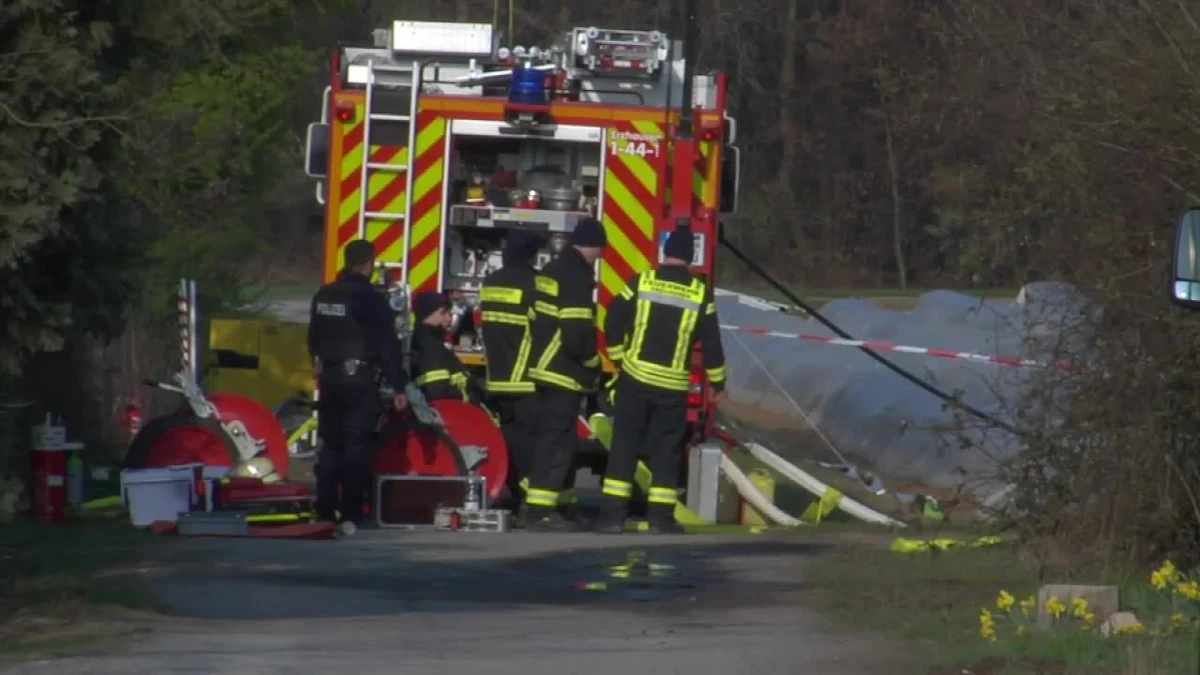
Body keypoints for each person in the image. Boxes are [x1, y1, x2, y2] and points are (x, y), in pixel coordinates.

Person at [594, 226, 727, 534]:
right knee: (666, 451)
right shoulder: (700, 294)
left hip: (635, 379)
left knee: (625, 445)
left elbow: (613, 318)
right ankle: (660, 519)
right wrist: (718, 384)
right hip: (672, 386)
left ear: (666, 252)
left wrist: (618, 358)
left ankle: (612, 518)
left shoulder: (642, 281)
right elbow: (712, 344)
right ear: (691, 256)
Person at [307, 239, 409, 530]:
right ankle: (351, 512)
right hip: (358, 380)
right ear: (368, 264)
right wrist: (398, 386)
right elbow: (387, 346)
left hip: (329, 378)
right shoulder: (369, 299)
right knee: (356, 445)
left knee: (330, 444)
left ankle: (324, 509)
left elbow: (312, 339)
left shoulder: (323, 294)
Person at [522, 217, 607, 531]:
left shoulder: (552, 270)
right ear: (593, 246)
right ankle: (540, 512)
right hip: (563, 372)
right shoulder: (575, 276)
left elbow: (533, 316)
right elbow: (576, 331)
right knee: (558, 444)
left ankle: (536, 507)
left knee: (547, 441)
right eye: (600, 250)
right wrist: (592, 366)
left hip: (543, 367)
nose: (600, 257)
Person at [479, 230, 543, 509]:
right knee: (529, 443)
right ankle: (529, 497)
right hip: (526, 381)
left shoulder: (490, 283)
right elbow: (543, 330)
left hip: (497, 379)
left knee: (507, 439)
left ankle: (515, 490)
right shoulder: (534, 284)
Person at [410, 290, 485, 404]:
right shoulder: (430, 348)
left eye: (449, 313)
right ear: (427, 314)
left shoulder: (435, 341)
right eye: (443, 313)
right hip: (458, 411)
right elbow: (438, 392)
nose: (448, 318)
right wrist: (472, 398)